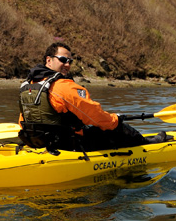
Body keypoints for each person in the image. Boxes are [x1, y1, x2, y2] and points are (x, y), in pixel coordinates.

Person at [18, 42, 147, 152]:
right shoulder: (63, 86)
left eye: (70, 61)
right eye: (63, 60)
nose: (67, 65)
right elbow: (95, 116)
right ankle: (148, 146)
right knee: (118, 128)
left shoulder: (28, 85)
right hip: (69, 145)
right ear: (48, 60)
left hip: (39, 143)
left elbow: (23, 120)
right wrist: (115, 120)